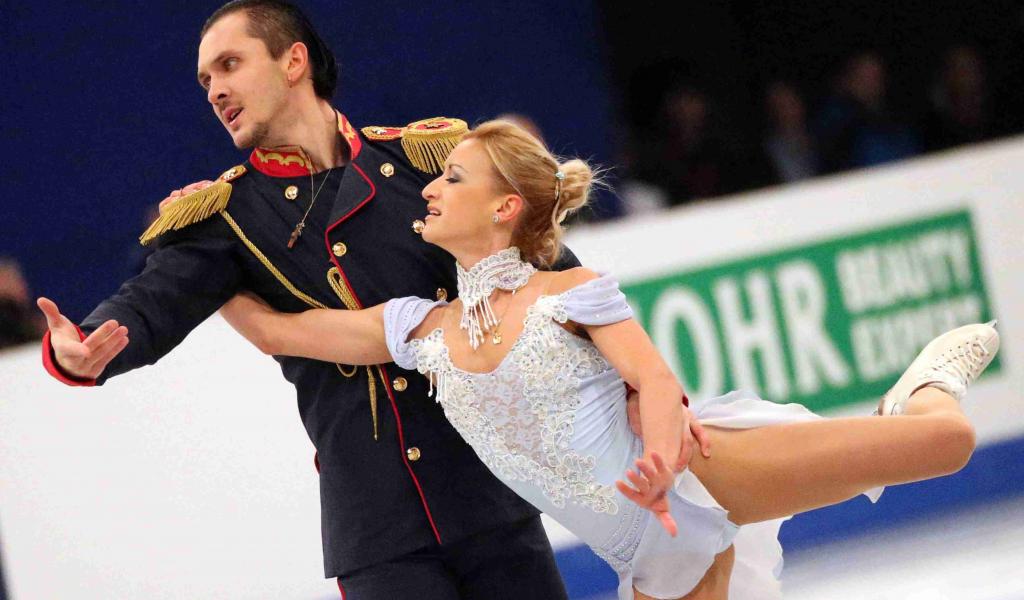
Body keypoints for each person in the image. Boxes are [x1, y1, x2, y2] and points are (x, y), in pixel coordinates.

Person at [33, 2, 676, 597]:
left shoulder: (422, 161)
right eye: (205, 80)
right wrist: (81, 346)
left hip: (491, 495)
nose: (215, 91)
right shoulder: (227, 219)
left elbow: (543, 266)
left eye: (229, 65)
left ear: (293, 61)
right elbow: (148, 301)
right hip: (378, 530)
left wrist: (633, 386)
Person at [215, 119, 1001, 600]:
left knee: (949, 442)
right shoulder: (413, 330)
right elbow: (280, 332)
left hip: (697, 481)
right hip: (645, 558)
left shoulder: (570, 292)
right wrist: (209, 264)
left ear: (504, 207)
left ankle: (920, 393)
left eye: (451, 177)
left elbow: (653, 378)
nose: (428, 190)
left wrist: (660, 458)